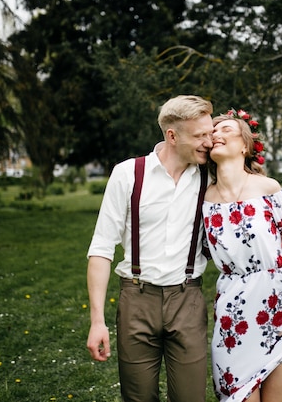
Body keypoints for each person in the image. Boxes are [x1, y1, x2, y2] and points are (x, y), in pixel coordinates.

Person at [85, 95, 214, 402]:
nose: (209, 142)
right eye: (200, 136)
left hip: (187, 300)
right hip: (136, 301)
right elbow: (101, 247)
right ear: (172, 135)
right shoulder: (128, 174)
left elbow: (254, 200)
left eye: (210, 133)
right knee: (138, 398)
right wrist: (97, 321)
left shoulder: (210, 175)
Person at [202, 109, 282, 402]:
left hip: (280, 302)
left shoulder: (268, 188)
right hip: (233, 313)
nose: (216, 134)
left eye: (225, 129)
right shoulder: (202, 199)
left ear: (245, 146)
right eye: (212, 132)